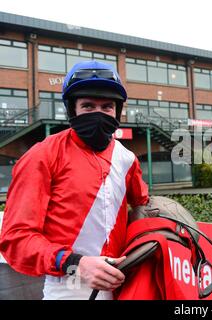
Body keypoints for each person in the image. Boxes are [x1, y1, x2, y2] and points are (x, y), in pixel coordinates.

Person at [0, 61, 150, 300]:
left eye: (107, 106)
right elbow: (15, 240)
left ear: (117, 111)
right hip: (68, 289)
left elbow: (144, 205)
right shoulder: (42, 156)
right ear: (73, 110)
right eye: (88, 106)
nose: (99, 113)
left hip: (126, 285)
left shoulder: (127, 158)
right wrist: (75, 264)